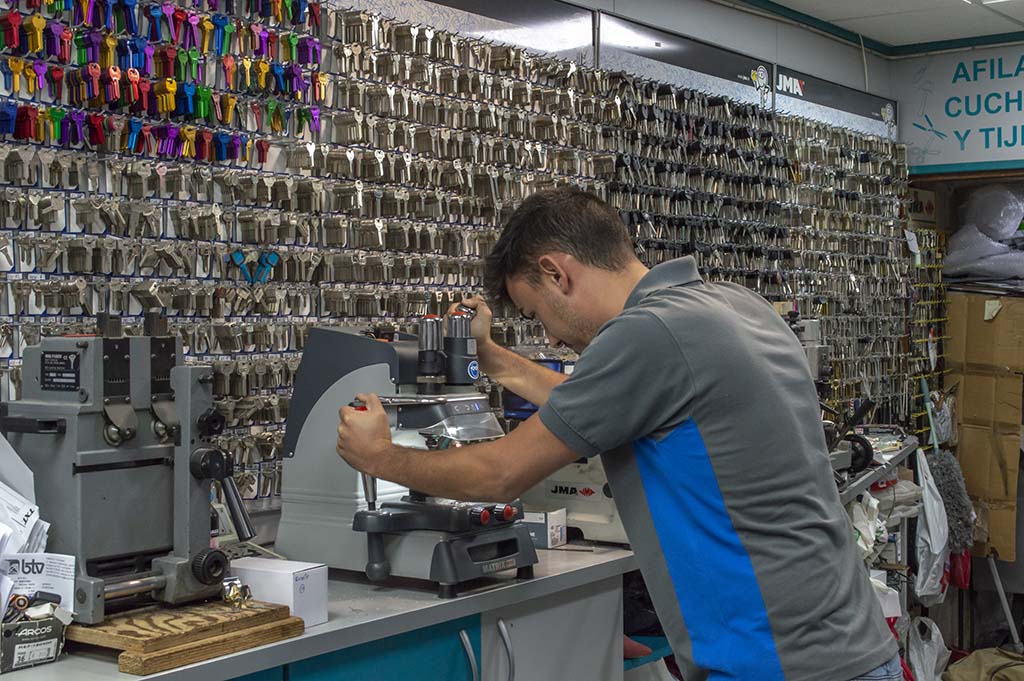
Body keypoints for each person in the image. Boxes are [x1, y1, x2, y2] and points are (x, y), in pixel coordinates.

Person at [336, 187, 901, 681]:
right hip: (849, 643)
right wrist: (496, 360)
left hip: (781, 662)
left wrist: (381, 456)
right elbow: (598, 407)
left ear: (558, 273)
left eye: (537, 314)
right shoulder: (731, 306)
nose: (551, 338)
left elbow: (500, 472)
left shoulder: (647, 334)